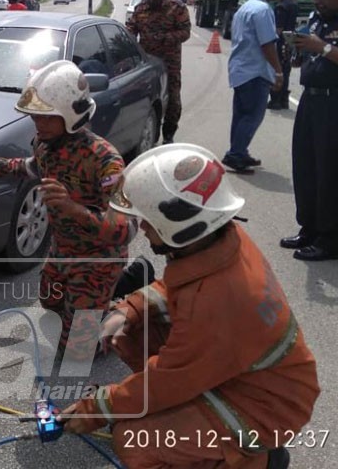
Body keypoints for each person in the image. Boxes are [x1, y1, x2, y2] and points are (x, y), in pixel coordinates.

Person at [60, 143, 319, 469]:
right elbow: (179, 286)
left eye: (148, 221)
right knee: (129, 330)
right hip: (240, 373)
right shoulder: (219, 241)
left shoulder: (220, 300)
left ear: (178, 226)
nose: (142, 228)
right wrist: (131, 309)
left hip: (267, 408)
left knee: (134, 441)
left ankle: (261, 460)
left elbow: (171, 378)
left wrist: (98, 408)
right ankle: (181, 419)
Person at [0, 61, 135, 360]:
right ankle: (106, 296)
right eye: (35, 116)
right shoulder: (46, 142)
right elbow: (30, 167)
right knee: (51, 304)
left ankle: (128, 308)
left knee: (77, 353)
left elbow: (126, 230)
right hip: (62, 250)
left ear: (71, 115)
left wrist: (73, 208)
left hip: (98, 259)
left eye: (46, 118)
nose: (37, 124)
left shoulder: (106, 161)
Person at [281, 0, 338, 261]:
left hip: (334, 104)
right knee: (305, 166)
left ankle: (330, 239)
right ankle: (310, 228)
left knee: (330, 173)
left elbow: (327, 49)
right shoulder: (317, 18)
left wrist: (323, 47)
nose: (318, 1)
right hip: (311, 101)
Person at [221, 0, 284, 174]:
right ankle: (236, 155)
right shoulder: (263, 9)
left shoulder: (245, 8)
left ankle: (239, 151)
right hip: (254, 71)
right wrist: (278, 71)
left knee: (241, 115)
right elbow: (267, 43)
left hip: (240, 69)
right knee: (252, 116)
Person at [126, 0, 191, 144]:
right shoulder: (140, 9)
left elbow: (185, 32)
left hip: (170, 61)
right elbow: (131, 29)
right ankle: (147, 132)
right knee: (146, 99)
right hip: (146, 62)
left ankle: (168, 135)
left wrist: (166, 38)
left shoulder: (176, 8)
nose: (149, 0)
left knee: (173, 100)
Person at [268, 0, 299, 110]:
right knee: (286, 71)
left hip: (281, 42)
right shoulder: (294, 5)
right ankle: (284, 100)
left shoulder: (281, 7)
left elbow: (278, 28)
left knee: (278, 70)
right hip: (290, 41)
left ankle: (275, 100)